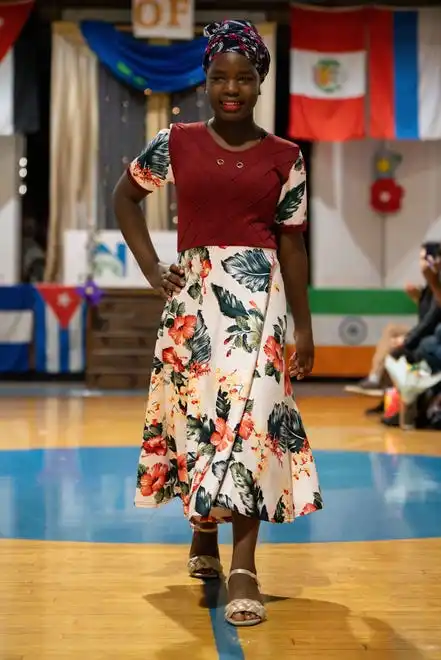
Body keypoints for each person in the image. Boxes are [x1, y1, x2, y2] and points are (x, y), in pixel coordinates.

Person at [113, 19, 322, 627]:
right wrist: (154, 268)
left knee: (252, 425)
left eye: (244, 77)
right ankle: (202, 533)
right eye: (219, 76)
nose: (231, 87)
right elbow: (125, 198)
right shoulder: (175, 141)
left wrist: (305, 330)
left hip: (262, 307)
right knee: (199, 425)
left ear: (261, 82)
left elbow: (294, 246)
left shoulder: (286, 157)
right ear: (204, 79)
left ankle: (245, 567)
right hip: (193, 305)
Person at [346, 243, 441, 398]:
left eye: (425, 258)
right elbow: (428, 313)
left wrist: (406, 340)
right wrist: (418, 296)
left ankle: (380, 384)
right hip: (427, 330)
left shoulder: (436, 281)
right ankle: (374, 378)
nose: (421, 263)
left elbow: (430, 320)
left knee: (395, 344)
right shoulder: (431, 282)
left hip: (432, 334)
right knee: (392, 329)